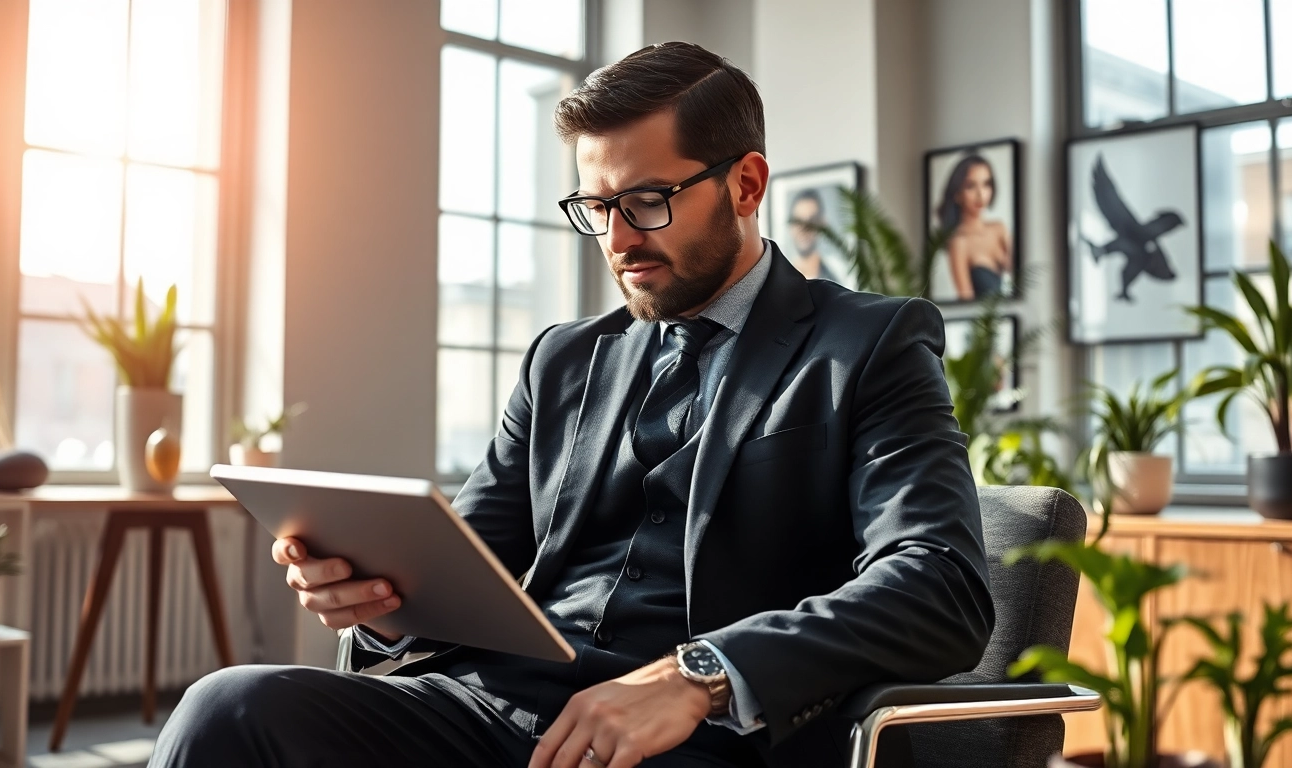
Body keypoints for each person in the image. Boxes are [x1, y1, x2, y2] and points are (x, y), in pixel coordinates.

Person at [150, 42, 992, 768]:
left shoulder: (867, 344)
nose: (620, 240)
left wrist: (696, 675)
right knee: (229, 708)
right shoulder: (564, 359)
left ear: (746, 182)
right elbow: (467, 567)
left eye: (648, 201)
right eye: (598, 208)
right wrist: (377, 609)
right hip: (488, 709)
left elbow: (940, 587)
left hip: (696, 740)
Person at [935, 154, 1012, 301]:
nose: (980, 194)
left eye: (986, 184)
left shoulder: (999, 228)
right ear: (957, 193)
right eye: (971, 186)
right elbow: (966, 302)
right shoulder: (959, 242)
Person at [785, 188, 841, 284]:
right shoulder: (781, 276)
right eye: (798, 221)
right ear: (791, 226)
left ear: (822, 223)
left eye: (811, 221)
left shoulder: (836, 273)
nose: (804, 229)